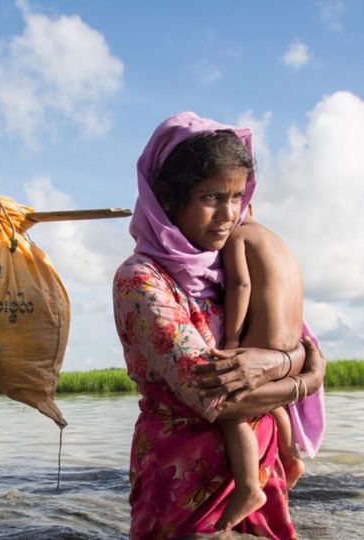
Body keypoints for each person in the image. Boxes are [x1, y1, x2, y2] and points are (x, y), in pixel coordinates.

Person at [113, 111, 326, 538]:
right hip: (185, 477)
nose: (228, 214)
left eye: (236, 197)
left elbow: (288, 339)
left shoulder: (227, 263)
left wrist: (290, 361)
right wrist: (306, 376)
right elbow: (216, 399)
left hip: (259, 471)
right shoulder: (142, 279)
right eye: (211, 198)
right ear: (170, 198)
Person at [216, 205, 306, 530]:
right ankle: (291, 456)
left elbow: (241, 286)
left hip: (262, 344)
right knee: (273, 403)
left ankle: (249, 487)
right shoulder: (278, 241)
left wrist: (232, 337)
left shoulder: (237, 236)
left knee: (234, 411)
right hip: (290, 344)